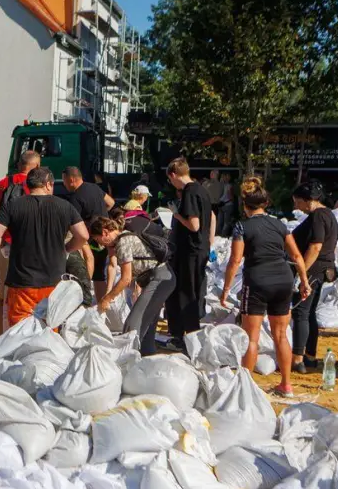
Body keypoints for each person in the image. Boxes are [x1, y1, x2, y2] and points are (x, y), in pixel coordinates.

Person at [219, 177, 311, 396]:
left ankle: (246, 388)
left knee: (251, 337)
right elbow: (297, 255)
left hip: (258, 281)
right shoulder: (279, 224)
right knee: (281, 335)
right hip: (283, 280)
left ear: (244, 204)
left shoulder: (242, 225)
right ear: (265, 203)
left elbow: (235, 260)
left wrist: (225, 289)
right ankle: (286, 384)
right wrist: (305, 283)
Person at [0, 166, 88, 325]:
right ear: (48, 184)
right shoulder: (65, 206)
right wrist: (66, 249)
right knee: (49, 329)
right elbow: (83, 235)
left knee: (19, 330)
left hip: (21, 282)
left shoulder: (13, 206)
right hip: (54, 281)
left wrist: (6, 247)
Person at [97, 209, 172, 356]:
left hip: (160, 278)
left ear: (105, 232)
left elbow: (125, 278)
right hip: (158, 278)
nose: (99, 244)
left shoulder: (122, 241)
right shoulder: (121, 239)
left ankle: (127, 360)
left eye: (97, 240)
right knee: (148, 325)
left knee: (133, 324)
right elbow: (117, 267)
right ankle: (145, 358)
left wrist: (108, 298)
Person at [290, 179, 338, 372]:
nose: (296, 206)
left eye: (297, 201)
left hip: (312, 270)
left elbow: (316, 246)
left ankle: (298, 359)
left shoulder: (318, 216)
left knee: (301, 312)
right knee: (309, 313)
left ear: (308, 200)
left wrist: (302, 273)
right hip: (322, 270)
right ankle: (309, 355)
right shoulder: (327, 215)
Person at [164, 157, 214, 341]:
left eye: (170, 179)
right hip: (199, 248)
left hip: (190, 250)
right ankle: (189, 333)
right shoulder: (201, 190)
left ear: (174, 175)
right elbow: (211, 217)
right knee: (193, 290)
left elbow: (193, 225)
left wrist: (176, 215)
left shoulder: (189, 192)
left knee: (185, 291)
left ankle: (185, 334)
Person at [0, 150, 40, 331]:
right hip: (30, 245)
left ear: (19, 164)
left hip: (6, 244)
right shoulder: (38, 186)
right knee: (29, 291)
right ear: (37, 167)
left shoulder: (5, 183)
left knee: (3, 295)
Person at [63, 167, 110, 300]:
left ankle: (85, 295)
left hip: (89, 237)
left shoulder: (75, 198)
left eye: (65, 182)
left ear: (72, 180)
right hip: (104, 234)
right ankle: (101, 304)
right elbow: (110, 203)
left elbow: (72, 223)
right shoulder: (95, 188)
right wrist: (101, 217)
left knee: (86, 265)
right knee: (100, 273)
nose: (65, 185)